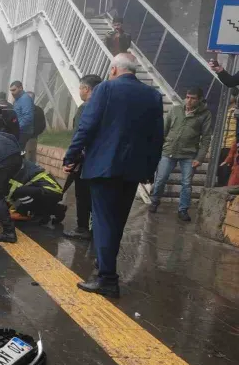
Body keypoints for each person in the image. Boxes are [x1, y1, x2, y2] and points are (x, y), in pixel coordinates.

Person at [63, 53, 164, 298]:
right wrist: (149, 169)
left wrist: (71, 156)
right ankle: (103, 265)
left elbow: (87, 126)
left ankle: (107, 278)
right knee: (116, 222)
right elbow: (157, 137)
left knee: (103, 221)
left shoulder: (105, 89)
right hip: (133, 170)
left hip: (104, 167)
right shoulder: (152, 95)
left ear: (114, 69)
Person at [149, 88, 213, 221]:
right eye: (187, 97)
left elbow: (206, 138)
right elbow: (164, 130)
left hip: (189, 154)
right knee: (161, 179)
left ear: (200, 99)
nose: (189, 100)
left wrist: (199, 158)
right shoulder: (175, 109)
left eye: (193, 98)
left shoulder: (205, 114)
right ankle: (155, 201)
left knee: (186, 183)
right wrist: (159, 147)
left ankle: (183, 210)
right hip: (169, 151)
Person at [64, 74, 103, 240]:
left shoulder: (85, 108)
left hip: (85, 159)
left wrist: (71, 158)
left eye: (80, 88)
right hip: (101, 159)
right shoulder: (106, 106)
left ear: (86, 89)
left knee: (82, 194)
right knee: (97, 197)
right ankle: (96, 229)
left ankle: (82, 228)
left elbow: (80, 134)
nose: (79, 91)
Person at [8, 159, 66, 223]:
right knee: (24, 196)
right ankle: (53, 210)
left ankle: (51, 211)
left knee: (19, 192)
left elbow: (12, 190)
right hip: (50, 191)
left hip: (50, 191)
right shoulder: (20, 163)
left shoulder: (18, 167)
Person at [10, 80, 35, 150]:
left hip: (23, 132)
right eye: (11, 91)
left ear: (20, 88)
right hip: (19, 131)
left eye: (14, 90)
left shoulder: (25, 99)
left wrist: (17, 128)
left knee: (19, 154)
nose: (12, 93)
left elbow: (28, 117)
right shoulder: (17, 100)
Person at [24, 91, 45, 162]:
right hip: (30, 138)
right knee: (30, 158)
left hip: (29, 138)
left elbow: (42, 125)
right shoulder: (38, 110)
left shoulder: (36, 110)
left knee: (28, 159)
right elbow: (43, 125)